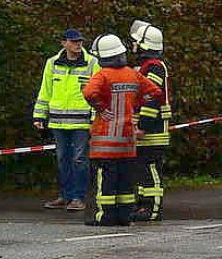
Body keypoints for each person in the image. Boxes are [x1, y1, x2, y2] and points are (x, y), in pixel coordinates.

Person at [81, 34, 161, 227]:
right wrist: (135, 103)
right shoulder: (133, 74)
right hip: (127, 140)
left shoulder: (103, 75)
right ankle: (124, 216)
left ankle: (105, 216)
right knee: (125, 180)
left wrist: (101, 108)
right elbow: (156, 93)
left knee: (105, 179)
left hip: (105, 141)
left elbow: (89, 93)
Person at [32, 29, 99, 211]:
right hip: (58, 122)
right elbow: (45, 90)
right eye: (74, 41)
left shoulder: (92, 63)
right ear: (64, 43)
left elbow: (97, 93)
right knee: (62, 159)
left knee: (79, 159)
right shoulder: (52, 63)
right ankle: (65, 196)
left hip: (81, 122)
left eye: (80, 42)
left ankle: (78, 197)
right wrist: (39, 115)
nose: (78, 45)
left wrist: (94, 119)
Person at [129, 19, 172, 222]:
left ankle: (152, 209)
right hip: (144, 130)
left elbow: (151, 98)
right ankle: (142, 206)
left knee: (151, 169)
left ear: (144, 44)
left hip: (152, 131)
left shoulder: (154, 67)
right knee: (141, 169)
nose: (133, 45)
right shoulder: (145, 67)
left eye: (136, 41)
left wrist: (143, 126)